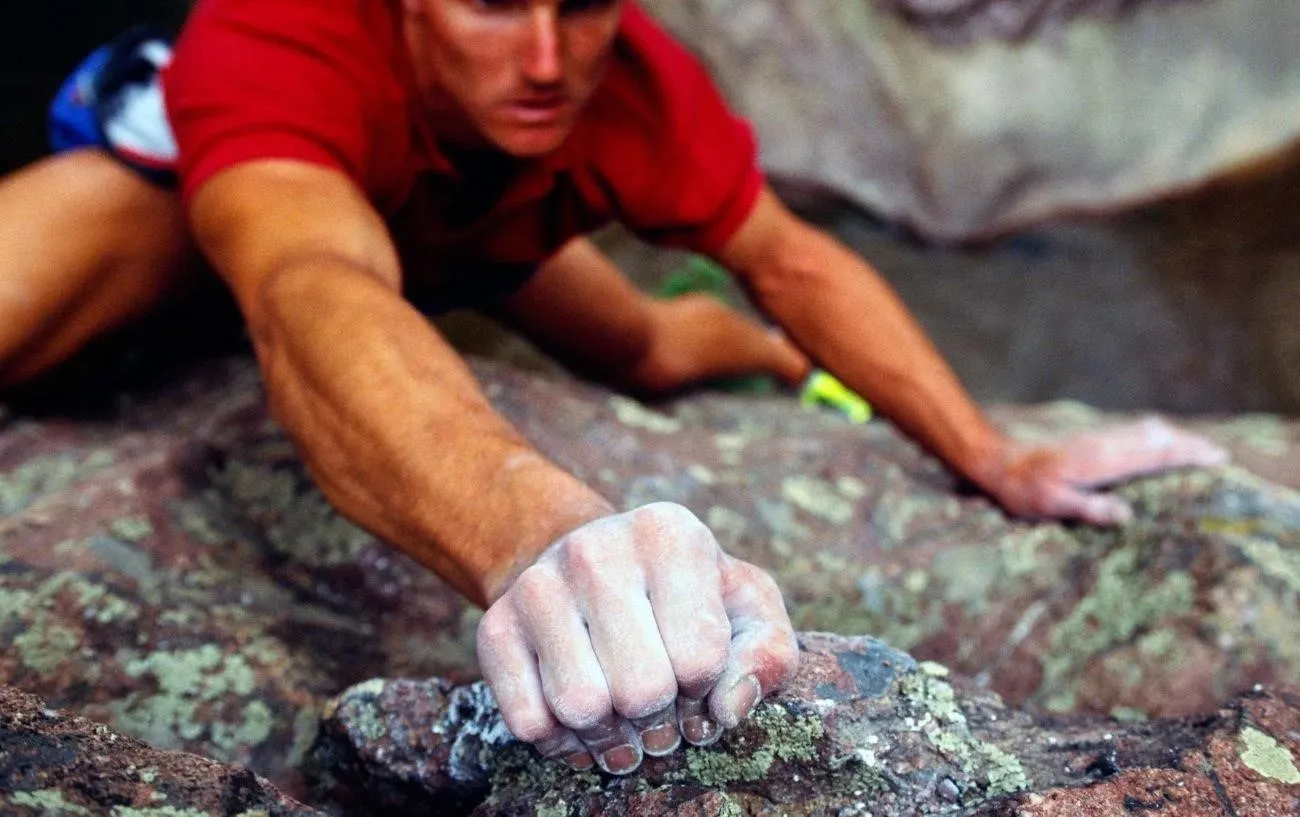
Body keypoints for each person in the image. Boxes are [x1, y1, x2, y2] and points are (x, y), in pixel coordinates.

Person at [0, 0, 1226, 776]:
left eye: (580, 3)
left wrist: (992, 453)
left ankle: (795, 379)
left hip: (467, 235)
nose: (545, 58)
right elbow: (308, 285)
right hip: (234, 213)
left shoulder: (628, 81)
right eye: (488, 5)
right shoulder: (281, 31)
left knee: (651, 344)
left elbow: (788, 258)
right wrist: (542, 531)